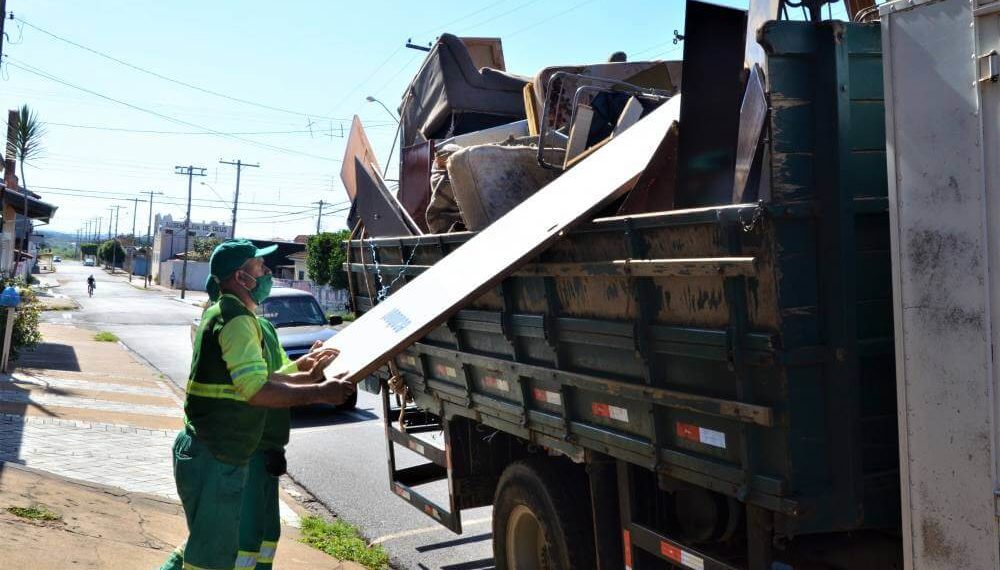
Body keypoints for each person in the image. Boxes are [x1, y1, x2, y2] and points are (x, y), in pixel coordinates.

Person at [159, 239, 354, 570]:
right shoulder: (236, 320)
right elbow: (256, 390)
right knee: (211, 560)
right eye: (258, 267)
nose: (266, 272)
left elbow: (263, 378)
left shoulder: (231, 315)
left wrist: (307, 374)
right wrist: (321, 393)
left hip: (216, 453)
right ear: (241, 277)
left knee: (208, 551)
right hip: (215, 457)